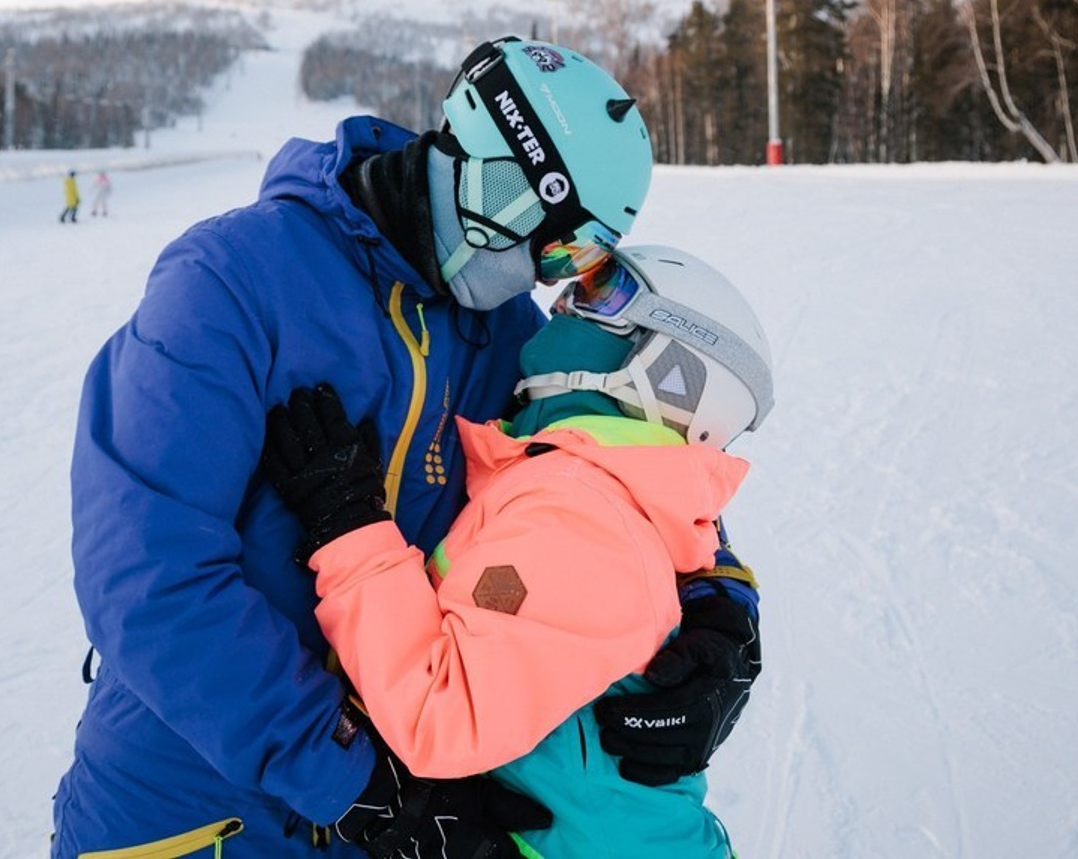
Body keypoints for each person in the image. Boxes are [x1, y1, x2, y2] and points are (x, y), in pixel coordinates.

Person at [50, 37, 751, 858]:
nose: (547, 278)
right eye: (562, 246)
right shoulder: (233, 279)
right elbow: (144, 577)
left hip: (400, 819)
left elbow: (620, 475)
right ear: (507, 182)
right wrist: (354, 780)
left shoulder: (506, 335)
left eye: (581, 265)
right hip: (193, 815)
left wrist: (723, 606)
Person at [263, 244, 773, 857]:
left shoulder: (580, 512)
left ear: (671, 375)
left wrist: (347, 526)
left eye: (602, 296)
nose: (564, 306)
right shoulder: (586, 481)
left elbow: (442, 716)